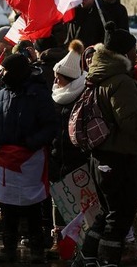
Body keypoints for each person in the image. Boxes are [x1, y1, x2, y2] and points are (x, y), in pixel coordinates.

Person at [74, 21, 137, 266]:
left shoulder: (101, 75)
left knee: (107, 212)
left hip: (102, 156)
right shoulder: (121, 81)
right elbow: (131, 123)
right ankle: (108, 261)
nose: (135, 54)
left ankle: (87, 257)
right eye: (133, 50)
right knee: (120, 216)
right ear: (124, 53)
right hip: (118, 156)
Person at [0, 53, 58, 263]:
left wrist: (31, 143)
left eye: (6, 70)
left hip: (30, 160)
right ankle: (8, 248)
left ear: (17, 71)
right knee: (7, 207)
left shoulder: (38, 94)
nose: (2, 73)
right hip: (5, 159)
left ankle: (37, 249)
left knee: (32, 206)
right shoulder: (1, 94)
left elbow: (50, 126)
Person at [48, 40, 89, 258]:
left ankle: (83, 244)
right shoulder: (55, 95)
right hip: (57, 157)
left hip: (77, 158)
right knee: (59, 202)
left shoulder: (82, 95)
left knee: (81, 204)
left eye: (59, 77)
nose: (55, 80)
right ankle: (60, 242)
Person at [65, 0, 129, 48]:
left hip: (111, 53)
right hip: (89, 52)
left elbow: (125, 35)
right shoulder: (91, 10)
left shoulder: (120, 10)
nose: (82, 1)